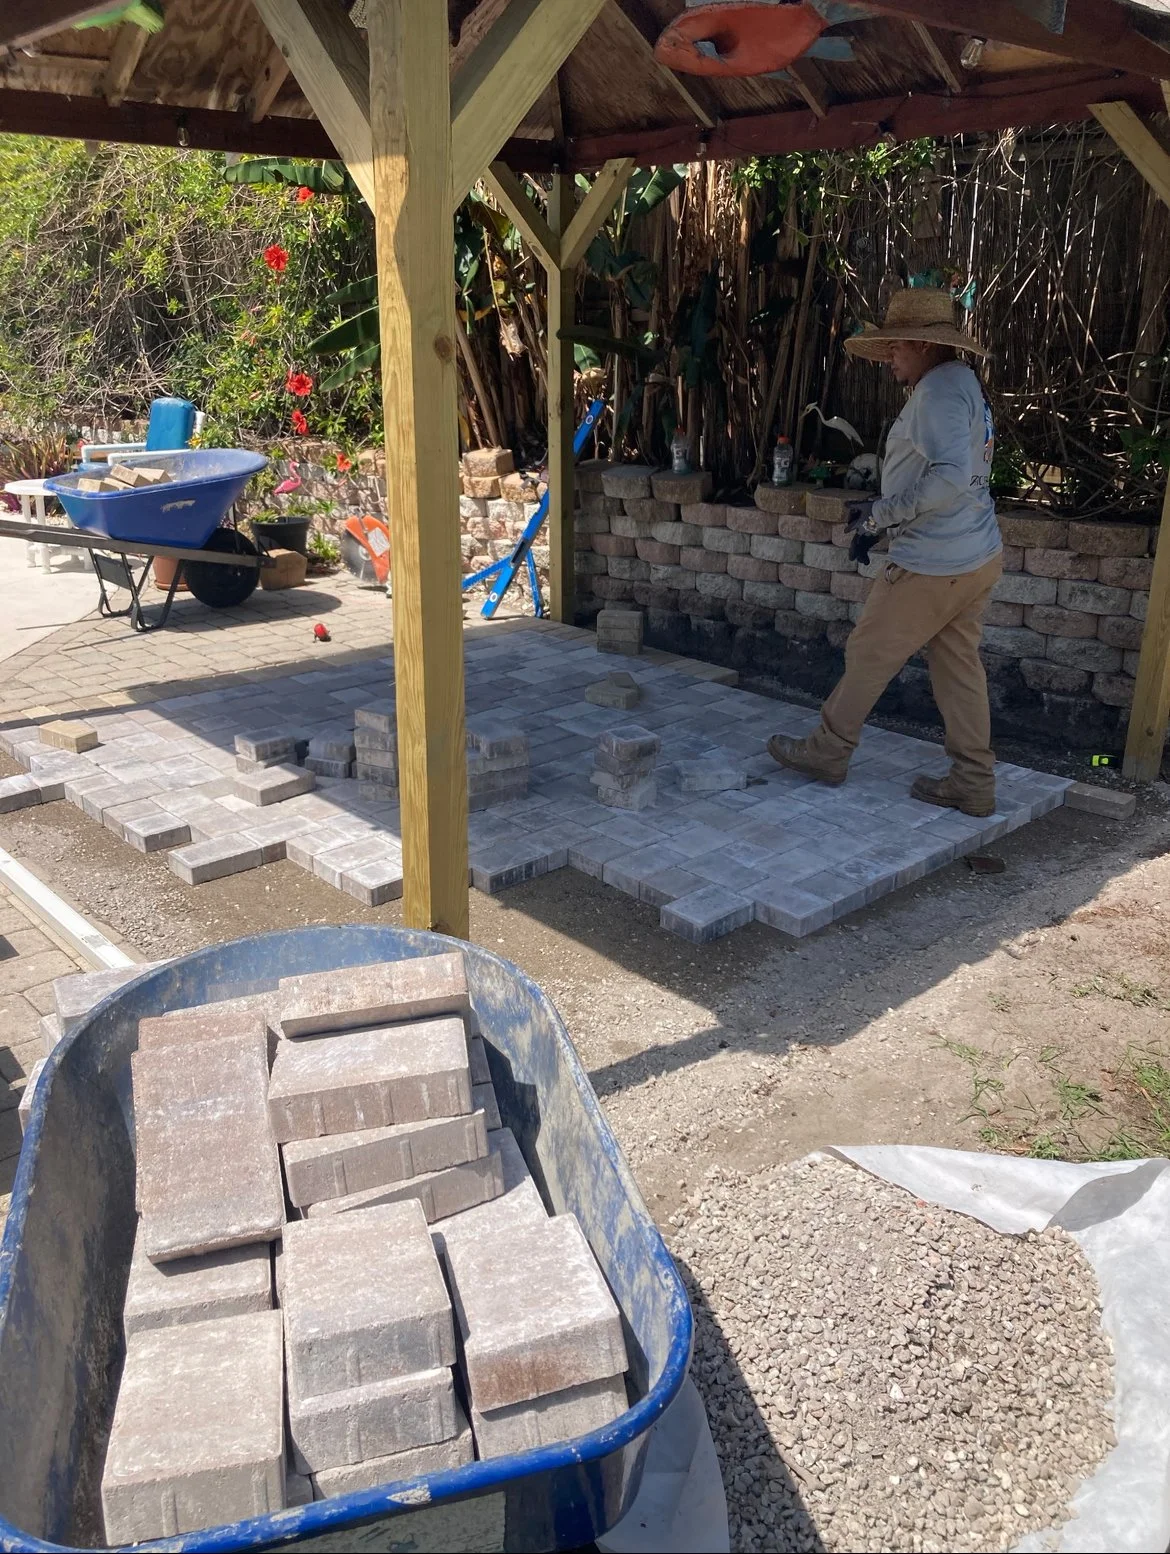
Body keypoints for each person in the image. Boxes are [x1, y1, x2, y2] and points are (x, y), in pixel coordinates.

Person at [768, 285, 1003, 818]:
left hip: (934, 562)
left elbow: (946, 479)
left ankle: (828, 752)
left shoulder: (939, 393)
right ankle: (973, 780)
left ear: (924, 344)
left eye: (897, 345)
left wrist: (880, 515)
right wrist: (884, 504)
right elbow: (957, 472)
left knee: (869, 654)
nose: (890, 355)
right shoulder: (962, 381)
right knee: (959, 668)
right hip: (976, 553)